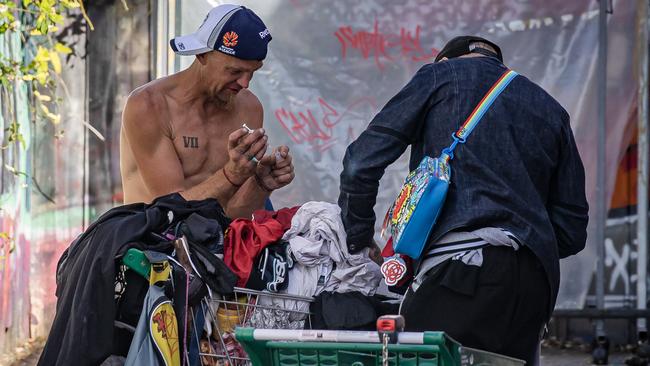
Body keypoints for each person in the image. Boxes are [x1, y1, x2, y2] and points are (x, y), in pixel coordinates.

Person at [338, 36, 588, 365]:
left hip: (462, 272)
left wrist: (358, 239)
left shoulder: (440, 76)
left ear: (445, 61)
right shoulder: (552, 110)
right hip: (535, 287)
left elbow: (360, 164)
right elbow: (572, 229)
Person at [120, 4, 294, 218]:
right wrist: (231, 175)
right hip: (152, 240)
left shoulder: (249, 107)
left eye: (252, 72)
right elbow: (168, 213)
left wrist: (261, 185)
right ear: (202, 55)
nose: (245, 83)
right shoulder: (149, 105)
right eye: (235, 71)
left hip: (214, 240)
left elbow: (234, 215)